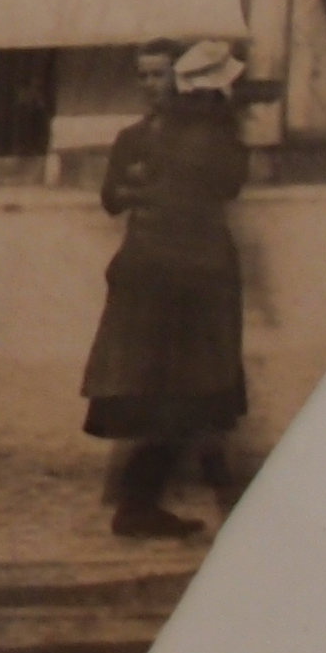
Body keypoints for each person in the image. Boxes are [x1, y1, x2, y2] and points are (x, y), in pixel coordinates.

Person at [82, 37, 253, 538]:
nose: (151, 85)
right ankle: (139, 503)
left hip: (192, 269)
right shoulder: (143, 136)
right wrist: (141, 188)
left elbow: (223, 184)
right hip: (160, 270)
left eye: (160, 74)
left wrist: (147, 187)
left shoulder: (206, 133)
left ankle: (158, 494)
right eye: (144, 75)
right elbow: (113, 196)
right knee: (165, 386)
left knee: (188, 385)